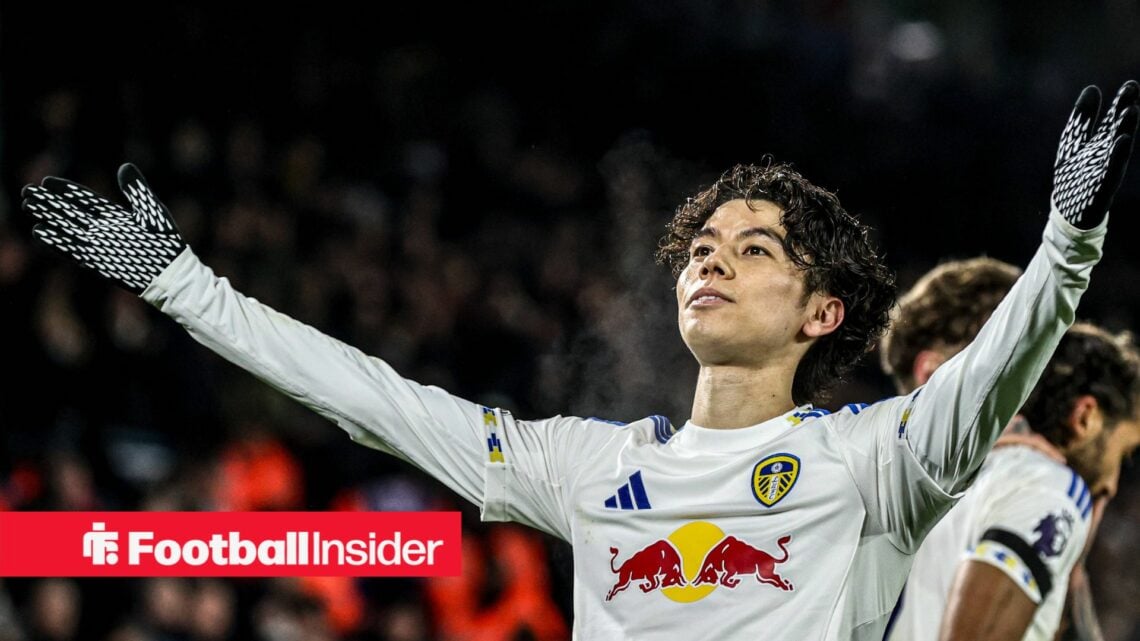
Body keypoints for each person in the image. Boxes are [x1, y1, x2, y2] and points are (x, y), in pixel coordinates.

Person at [18, 81, 1138, 640]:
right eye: (701, 246)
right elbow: (373, 399)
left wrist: (1067, 241)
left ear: (819, 311)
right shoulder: (585, 466)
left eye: (755, 250)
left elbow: (995, 370)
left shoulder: (875, 463)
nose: (712, 261)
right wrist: (182, 282)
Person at [880, 257, 1140, 641]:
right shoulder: (1044, 484)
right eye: (1009, 359)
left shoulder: (958, 491)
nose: (1030, 381)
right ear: (933, 374)